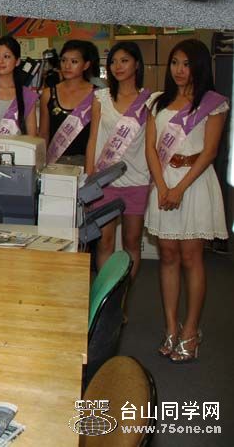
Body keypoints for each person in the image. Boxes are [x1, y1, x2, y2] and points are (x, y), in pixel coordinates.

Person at [145, 39, 228, 363]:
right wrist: (163, 186)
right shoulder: (157, 102)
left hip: (194, 183)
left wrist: (179, 189)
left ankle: (191, 330)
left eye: (187, 63)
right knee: (167, 255)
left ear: (199, 66)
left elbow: (210, 152)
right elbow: (151, 148)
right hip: (164, 181)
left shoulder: (213, 103)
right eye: (175, 63)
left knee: (192, 257)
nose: (179, 70)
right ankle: (171, 326)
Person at [84, 41, 152, 276]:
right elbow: (93, 139)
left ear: (137, 64)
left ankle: (123, 294)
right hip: (105, 182)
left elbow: (151, 144)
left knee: (132, 243)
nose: (117, 66)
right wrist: (90, 176)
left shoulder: (149, 100)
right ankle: (108, 294)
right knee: (104, 242)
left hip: (137, 181)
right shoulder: (100, 97)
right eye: (113, 61)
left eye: (124, 61)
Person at [40, 39, 97, 165]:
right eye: (63, 60)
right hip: (54, 164)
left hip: (85, 163)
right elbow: (44, 134)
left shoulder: (97, 95)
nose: (67, 66)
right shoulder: (48, 94)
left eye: (74, 61)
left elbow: (97, 137)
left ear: (86, 65)